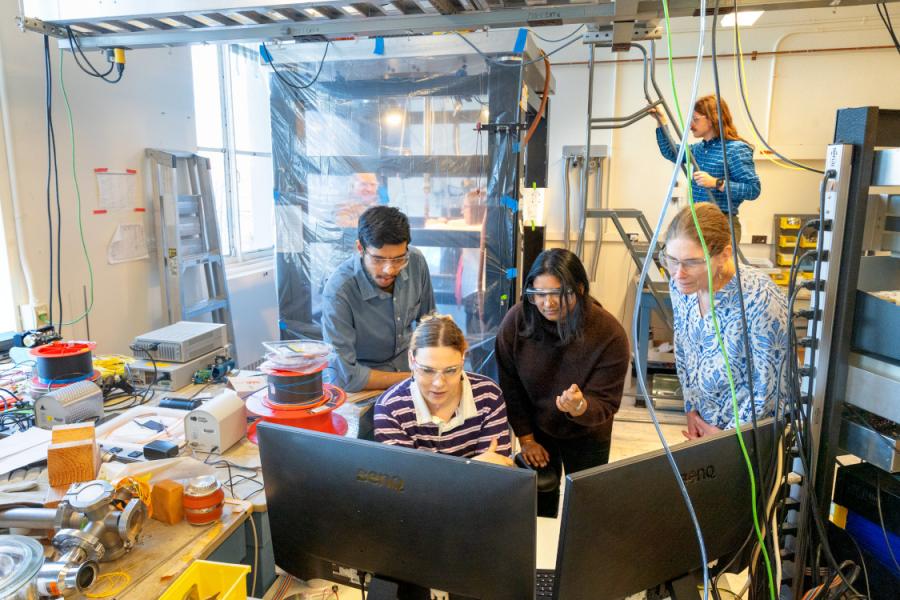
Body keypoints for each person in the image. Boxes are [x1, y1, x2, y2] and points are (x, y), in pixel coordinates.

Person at [495, 248, 629, 517]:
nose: (548, 302)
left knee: (587, 508)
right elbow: (509, 386)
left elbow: (606, 403)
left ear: (579, 289)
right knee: (539, 503)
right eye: (539, 294)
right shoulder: (517, 321)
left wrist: (579, 406)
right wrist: (526, 438)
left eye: (559, 293)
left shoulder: (609, 333)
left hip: (589, 432)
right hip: (537, 426)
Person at [663, 203, 788, 438]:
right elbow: (683, 349)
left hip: (749, 436)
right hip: (703, 425)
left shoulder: (760, 298)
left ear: (725, 255)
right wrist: (691, 409)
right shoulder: (681, 287)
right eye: (671, 260)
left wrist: (726, 438)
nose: (679, 273)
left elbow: (769, 388)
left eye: (692, 262)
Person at [321, 206, 436, 392]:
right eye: (378, 260)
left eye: (399, 259)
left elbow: (430, 324)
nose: (389, 270)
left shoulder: (416, 262)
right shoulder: (339, 291)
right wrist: (413, 378)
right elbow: (344, 376)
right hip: (366, 384)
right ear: (360, 248)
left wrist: (436, 366)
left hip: (413, 372)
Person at [374, 314, 513, 466]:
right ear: (411, 360)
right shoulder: (390, 409)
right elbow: (405, 483)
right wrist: (473, 467)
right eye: (427, 370)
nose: (439, 383)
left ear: (463, 359)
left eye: (451, 370)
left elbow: (496, 476)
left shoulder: (488, 396)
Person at [651, 95, 760, 241]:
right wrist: (661, 121)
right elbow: (671, 152)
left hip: (721, 224)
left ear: (712, 119)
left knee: (715, 265)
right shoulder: (699, 149)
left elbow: (753, 189)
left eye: (695, 119)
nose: (690, 125)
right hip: (698, 221)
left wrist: (716, 183)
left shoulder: (735, 149)